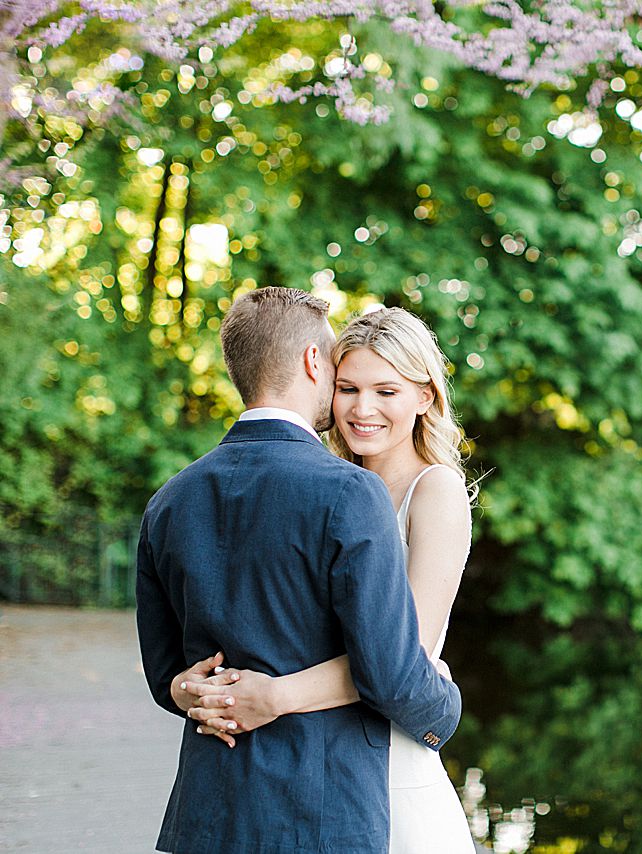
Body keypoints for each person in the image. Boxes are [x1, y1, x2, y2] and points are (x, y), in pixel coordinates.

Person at [136, 289, 462, 854]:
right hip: (324, 792)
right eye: (348, 388)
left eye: (386, 391)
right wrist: (445, 707)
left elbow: (405, 654)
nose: (362, 408)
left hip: (376, 767)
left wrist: (205, 692)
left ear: (423, 396)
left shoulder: (171, 498)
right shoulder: (337, 488)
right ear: (320, 371)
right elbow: (398, 671)